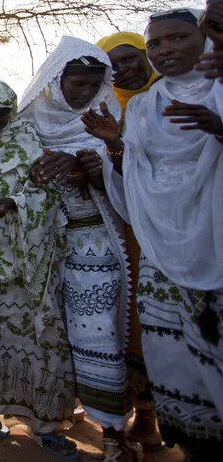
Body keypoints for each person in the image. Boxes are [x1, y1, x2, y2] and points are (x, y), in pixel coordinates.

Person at [86, 9, 222, 462]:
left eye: (177, 38)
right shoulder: (142, 107)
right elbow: (137, 178)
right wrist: (113, 145)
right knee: (167, 347)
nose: (164, 50)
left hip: (213, 237)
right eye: (155, 44)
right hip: (157, 244)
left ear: (203, 39)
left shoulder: (220, 91)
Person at [18, 35, 137, 462]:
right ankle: (53, 413)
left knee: (97, 335)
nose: (84, 93)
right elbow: (12, 179)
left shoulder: (111, 119)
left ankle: (113, 431)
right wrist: (36, 174)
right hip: (42, 249)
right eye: (76, 83)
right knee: (49, 333)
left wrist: (97, 169)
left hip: (93, 247)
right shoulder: (28, 121)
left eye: (92, 84)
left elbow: (134, 186)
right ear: (55, 79)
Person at [0, 75, 76, 454]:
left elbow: (49, 191)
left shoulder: (26, 141)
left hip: (31, 266)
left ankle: (47, 423)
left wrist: (13, 204)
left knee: (43, 342)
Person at [96, 31, 162, 450]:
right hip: (117, 227)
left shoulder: (169, 96)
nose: (122, 68)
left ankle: (153, 414)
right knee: (121, 321)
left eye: (130, 57)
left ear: (146, 56)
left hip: (168, 225)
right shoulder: (101, 107)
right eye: (112, 64)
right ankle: (120, 410)